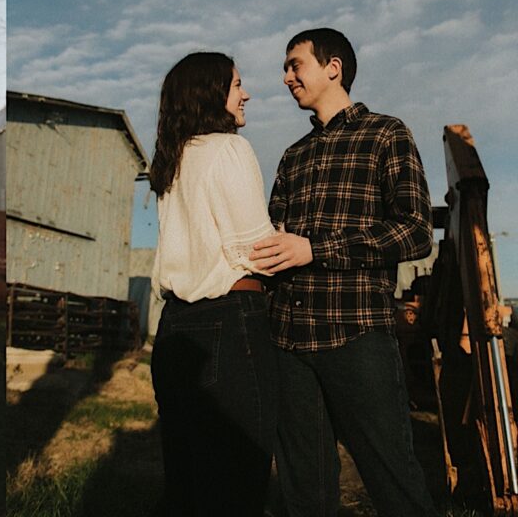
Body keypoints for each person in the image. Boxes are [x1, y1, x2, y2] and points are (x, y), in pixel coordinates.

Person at [249, 28, 437, 517]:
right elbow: (276, 239)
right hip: (289, 344)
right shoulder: (294, 155)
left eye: (296, 65)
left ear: (333, 67)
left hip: (357, 335)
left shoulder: (386, 134)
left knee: (393, 480)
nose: (286, 77)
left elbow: (416, 232)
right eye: (286, 68)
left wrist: (316, 249)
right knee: (302, 493)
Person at [148, 52, 278, 516]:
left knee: (188, 479)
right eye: (237, 84)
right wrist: (303, 248)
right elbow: (253, 250)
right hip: (230, 320)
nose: (246, 94)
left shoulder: (172, 160)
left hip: (174, 329)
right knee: (239, 477)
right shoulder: (228, 148)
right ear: (211, 93)